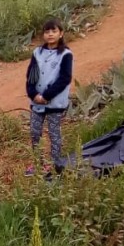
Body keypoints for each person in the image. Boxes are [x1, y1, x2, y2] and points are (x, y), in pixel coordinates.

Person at [24, 18, 73, 177]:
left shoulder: (66, 54)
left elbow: (65, 78)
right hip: (36, 101)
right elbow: (31, 76)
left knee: (54, 133)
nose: (50, 34)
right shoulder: (37, 52)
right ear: (43, 35)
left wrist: (46, 96)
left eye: (54, 31)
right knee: (34, 132)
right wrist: (34, 95)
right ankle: (38, 164)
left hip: (55, 103)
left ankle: (55, 164)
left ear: (61, 34)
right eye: (47, 31)